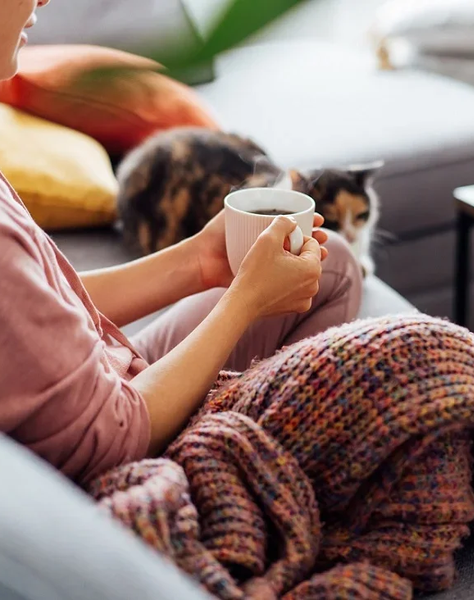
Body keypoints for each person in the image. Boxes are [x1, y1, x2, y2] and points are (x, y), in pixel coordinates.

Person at [0, 0, 363, 486]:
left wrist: (197, 261)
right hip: (123, 423)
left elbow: (33, 306)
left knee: (331, 261)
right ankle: (278, 475)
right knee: (337, 278)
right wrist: (245, 302)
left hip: (102, 374)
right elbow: (115, 436)